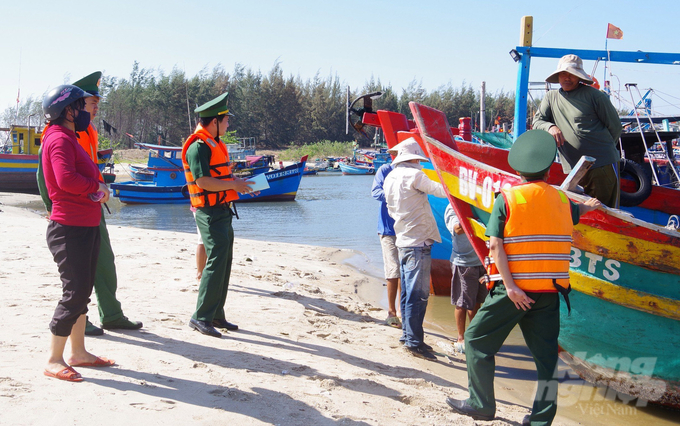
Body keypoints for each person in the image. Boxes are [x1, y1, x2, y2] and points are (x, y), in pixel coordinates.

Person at [445, 130, 601, 425]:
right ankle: (541, 420)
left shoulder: (507, 199)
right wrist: (592, 205)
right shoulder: (563, 201)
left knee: (476, 340)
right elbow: (578, 211)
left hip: (512, 292)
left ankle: (481, 404)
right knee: (546, 358)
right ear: (547, 167)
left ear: (517, 168)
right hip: (551, 291)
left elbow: (494, 246)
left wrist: (513, 288)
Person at [40, 84, 115, 382]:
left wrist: (97, 191)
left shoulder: (69, 137)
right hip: (68, 228)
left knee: (83, 291)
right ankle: (54, 359)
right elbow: (65, 179)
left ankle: (79, 353)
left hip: (84, 223)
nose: (86, 111)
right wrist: (96, 187)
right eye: (82, 106)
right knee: (74, 293)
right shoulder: (58, 138)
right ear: (67, 110)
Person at [71, 71, 142, 335]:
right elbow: (46, 175)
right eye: (92, 102)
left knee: (104, 261)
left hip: (94, 205)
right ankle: (80, 319)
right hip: (75, 209)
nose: (97, 106)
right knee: (79, 267)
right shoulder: (64, 132)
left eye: (97, 102)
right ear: (76, 105)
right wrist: (50, 206)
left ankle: (111, 314)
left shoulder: (88, 130)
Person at [181, 93, 256, 338]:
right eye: (225, 121)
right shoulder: (198, 146)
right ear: (214, 121)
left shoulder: (214, 143)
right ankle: (200, 316)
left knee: (224, 262)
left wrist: (236, 183)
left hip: (222, 211)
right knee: (215, 261)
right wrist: (233, 186)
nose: (228, 125)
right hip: (210, 212)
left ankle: (216, 314)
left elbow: (219, 179)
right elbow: (203, 181)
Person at [383, 137, 447, 361]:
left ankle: (408, 335)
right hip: (418, 241)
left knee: (408, 292)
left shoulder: (390, 177)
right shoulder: (415, 175)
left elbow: (391, 209)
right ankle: (414, 342)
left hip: (403, 239)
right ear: (414, 158)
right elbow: (441, 190)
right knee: (418, 295)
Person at [533, 54, 623, 208]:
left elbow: (615, 127)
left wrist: (603, 152)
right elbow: (537, 122)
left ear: (579, 77)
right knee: (579, 211)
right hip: (574, 169)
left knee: (605, 211)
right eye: (563, 74)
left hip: (602, 166)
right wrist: (550, 127)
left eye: (572, 74)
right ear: (558, 76)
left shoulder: (595, 96)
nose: (567, 78)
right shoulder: (551, 97)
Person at [444, 203, 486, 354]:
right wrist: (477, 219)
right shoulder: (453, 207)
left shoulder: (480, 203)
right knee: (461, 302)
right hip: (463, 262)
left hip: (481, 259)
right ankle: (460, 338)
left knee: (476, 302)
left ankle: (473, 335)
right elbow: (458, 229)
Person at [370, 163, 401, 328]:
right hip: (388, 230)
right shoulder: (385, 170)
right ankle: (391, 311)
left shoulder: (415, 171)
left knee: (404, 270)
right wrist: (397, 194)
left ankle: (401, 310)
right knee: (393, 269)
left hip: (406, 230)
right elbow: (375, 192)